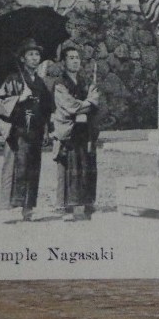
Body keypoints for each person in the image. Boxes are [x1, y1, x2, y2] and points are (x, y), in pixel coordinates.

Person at [0, 38, 53, 223]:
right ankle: (6, 210)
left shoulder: (40, 82)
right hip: (17, 132)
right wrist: (19, 99)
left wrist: (45, 130)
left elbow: (46, 109)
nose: (35, 58)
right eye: (31, 55)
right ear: (22, 58)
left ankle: (28, 209)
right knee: (13, 169)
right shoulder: (12, 79)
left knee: (32, 169)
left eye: (37, 55)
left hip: (34, 131)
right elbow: (0, 103)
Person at [51, 45, 101, 221]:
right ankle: (66, 207)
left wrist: (83, 107)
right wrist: (85, 106)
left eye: (77, 58)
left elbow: (96, 99)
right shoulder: (59, 84)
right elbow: (68, 105)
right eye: (71, 58)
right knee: (69, 167)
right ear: (64, 62)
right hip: (69, 131)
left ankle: (86, 203)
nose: (75, 60)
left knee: (85, 165)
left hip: (84, 131)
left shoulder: (87, 82)